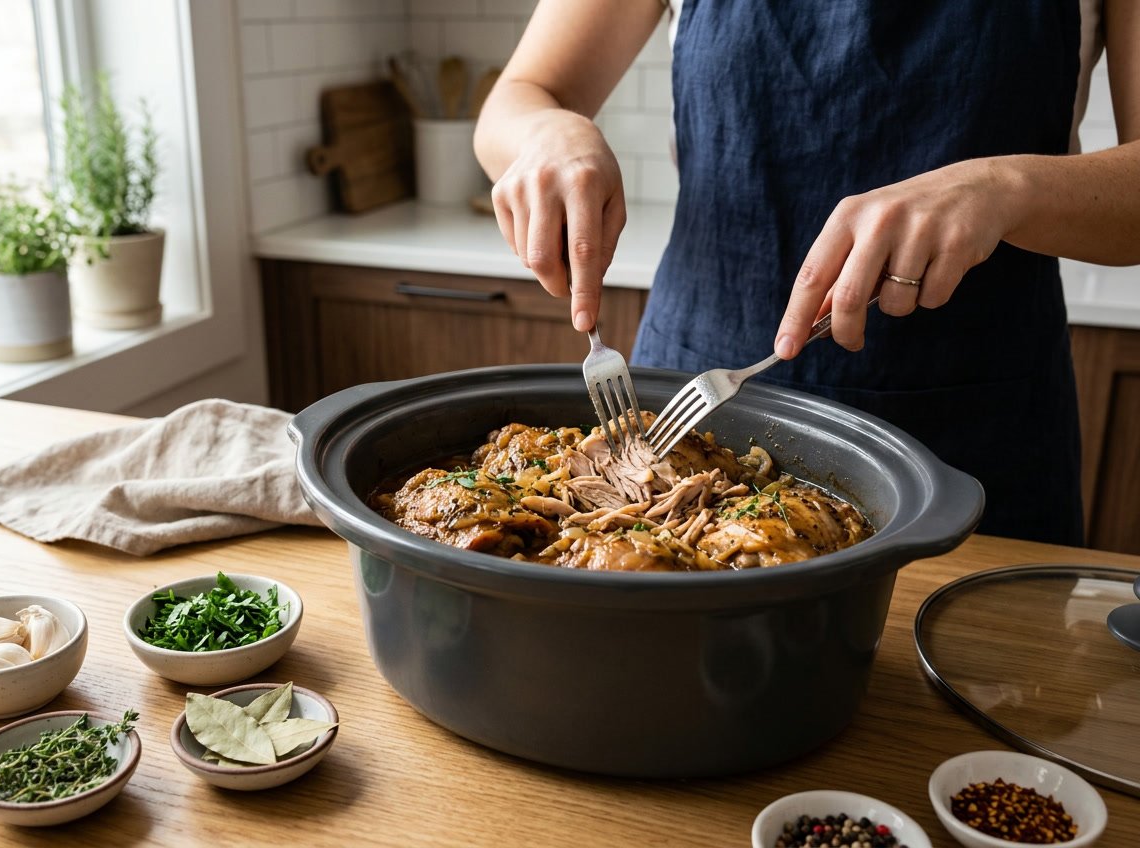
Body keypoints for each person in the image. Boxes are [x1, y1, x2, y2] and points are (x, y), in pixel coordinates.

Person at [473, 0, 1140, 545]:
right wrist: (545, 133)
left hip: (979, 430)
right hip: (692, 403)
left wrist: (1005, 186)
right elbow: (522, 95)